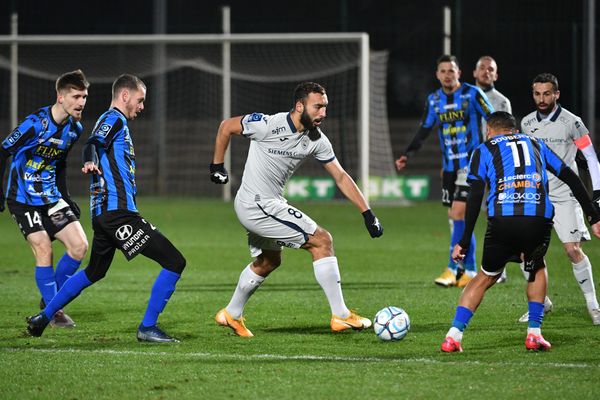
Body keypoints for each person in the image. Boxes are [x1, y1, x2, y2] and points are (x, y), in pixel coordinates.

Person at [209, 81, 383, 337]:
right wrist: (217, 166)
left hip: (268, 203)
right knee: (322, 241)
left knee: (269, 261)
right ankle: (342, 315)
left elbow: (341, 177)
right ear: (300, 106)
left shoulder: (316, 139)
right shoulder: (267, 124)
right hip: (257, 204)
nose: (323, 113)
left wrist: (367, 213)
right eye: (318, 107)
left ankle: (231, 314)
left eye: (325, 107)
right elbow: (226, 127)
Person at [26, 74, 186, 343]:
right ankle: (148, 328)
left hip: (105, 216)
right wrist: (89, 162)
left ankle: (44, 316)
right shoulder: (113, 119)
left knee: (94, 272)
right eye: (140, 100)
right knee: (174, 261)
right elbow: (93, 144)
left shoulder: (114, 122)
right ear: (125, 96)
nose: (142, 106)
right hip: (117, 214)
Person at [441, 111, 600, 353]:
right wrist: (592, 214)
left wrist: (463, 240)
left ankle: (454, 336)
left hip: (502, 220)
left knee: (485, 276)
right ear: (514, 130)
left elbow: (475, 195)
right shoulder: (535, 142)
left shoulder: (484, 149)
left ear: (490, 131)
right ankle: (534, 334)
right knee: (537, 267)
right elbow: (570, 176)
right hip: (537, 218)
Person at [0, 70, 90, 328]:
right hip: (23, 198)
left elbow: (60, 164)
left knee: (79, 246)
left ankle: (49, 301)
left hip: (51, 198)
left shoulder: (75, 129)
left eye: (84, 96)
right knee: (44, 248)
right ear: (60, 97)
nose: (82, 102)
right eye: (76, 96)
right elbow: (2, 151)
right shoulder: (35, 124)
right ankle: (53, 312)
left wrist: (67, 197)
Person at [395, 55, 494, 288]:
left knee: (457, 215)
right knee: (458, 219)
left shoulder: (472, 94)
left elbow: (493, 119)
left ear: (459, 73)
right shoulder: (434, 100)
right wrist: (407, 154)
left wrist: (494, 149)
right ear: (437, 75)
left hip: (470, 164)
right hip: (449, 167)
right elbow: (425, 129)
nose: (447, 75)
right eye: (443, 71)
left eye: (451, 70)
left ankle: (453, 269)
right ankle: (468, 270)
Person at [519, 73, 600, 325]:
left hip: (566, 196)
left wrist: (596, 195)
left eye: (546, 94)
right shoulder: (526, 123)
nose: (541, 99)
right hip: (537, 197)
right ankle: (541, 302)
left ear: (557, 94)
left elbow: (591, 158)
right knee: (525, 253)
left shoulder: (572, 122)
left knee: (572, 250)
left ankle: (593, 305)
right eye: (537, 94)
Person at [473, 55, 512, 284]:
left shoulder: (502, 102)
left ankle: (499, 269)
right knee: (462, 212)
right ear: (474, 72)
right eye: (482, 68)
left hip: (497, 165)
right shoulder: (467, 96)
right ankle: (464, 265)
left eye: (491, 69)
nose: (486, 72)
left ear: (496, 75)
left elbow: (509, 133)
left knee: (496, 214)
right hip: (474, 163)